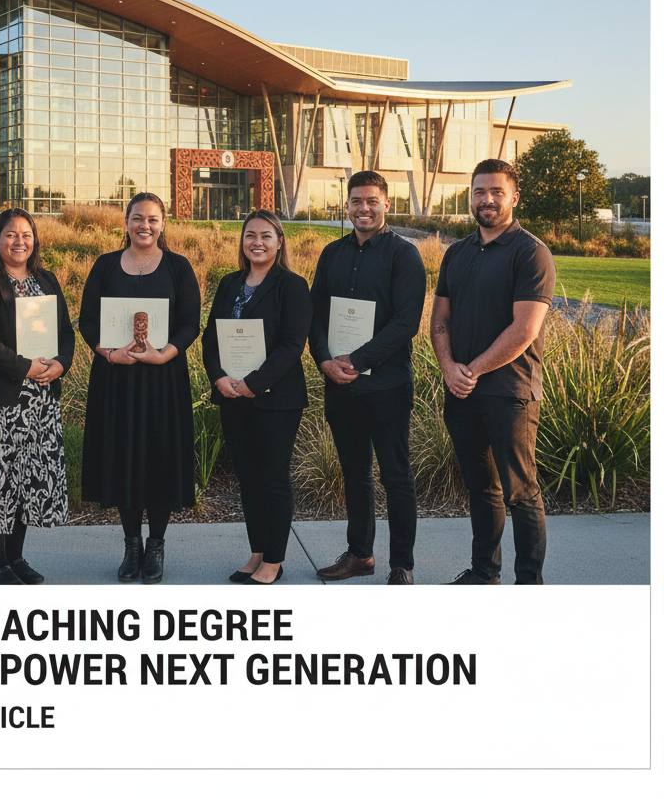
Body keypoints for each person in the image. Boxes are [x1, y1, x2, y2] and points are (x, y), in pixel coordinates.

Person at [431, 158, 555, 585]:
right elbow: (439, 319)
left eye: (496, 192)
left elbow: (525, 329)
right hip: (462, 393)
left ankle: (528, 584)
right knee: (481, 490)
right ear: (470, 196)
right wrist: (449, 368)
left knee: (521, 492)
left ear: (514, 197)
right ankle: (485, 574)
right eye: (479, 191)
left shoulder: (531, 252)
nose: (487, 199)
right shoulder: (458, 253)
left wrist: (473, 369)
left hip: (510, 392)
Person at [309, 171, 427, 585]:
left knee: (396, 475)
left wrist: (355, 360)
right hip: (341, 385)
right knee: (354, 472)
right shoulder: (331, 254)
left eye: (372, 201)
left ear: (386, 205)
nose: (364, 208)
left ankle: (402, 565)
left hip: (388, 386)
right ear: (347, 205)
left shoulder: (404, 255)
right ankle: (360, 555)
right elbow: (316, 314)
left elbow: (405, 323)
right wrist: (325, 360)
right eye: (356, 201)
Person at [79, 192, 200, 583]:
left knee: (159, 458)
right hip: (116, 379)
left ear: (163, 223)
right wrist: (108, 353)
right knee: (123, 457)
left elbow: (189, 322)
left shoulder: (179, 268)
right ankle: (132, 545)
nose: (144, 226)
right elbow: (87, 321)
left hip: (162, 380)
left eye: (151, 219)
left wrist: (164, 354)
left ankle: (157, 546)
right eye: (136, 218)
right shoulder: (105, 265)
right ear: (125, 222)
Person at [0, 207, 75, 585]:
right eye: (10, 234)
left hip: (39, 400)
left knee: (26, 479)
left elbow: (65, 332)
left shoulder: (46, 279)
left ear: (35, 240)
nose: (19, 241)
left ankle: (18, 557)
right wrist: (23, 366)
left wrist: (61, 363)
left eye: (26, 234)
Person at [202, 209, 312, 585]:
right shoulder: (229, 283)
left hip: (275, 398)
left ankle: (274, 561)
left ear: (280, 241)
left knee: (273, 478)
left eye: (266, 236)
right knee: (248, 478)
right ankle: (257, 552)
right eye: (250, 235)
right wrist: (218, 377)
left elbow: (292, 345)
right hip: (232, 396)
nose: (257, 242)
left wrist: (253, 382)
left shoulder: (292, 286)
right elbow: (210, 338)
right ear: (242, 241)